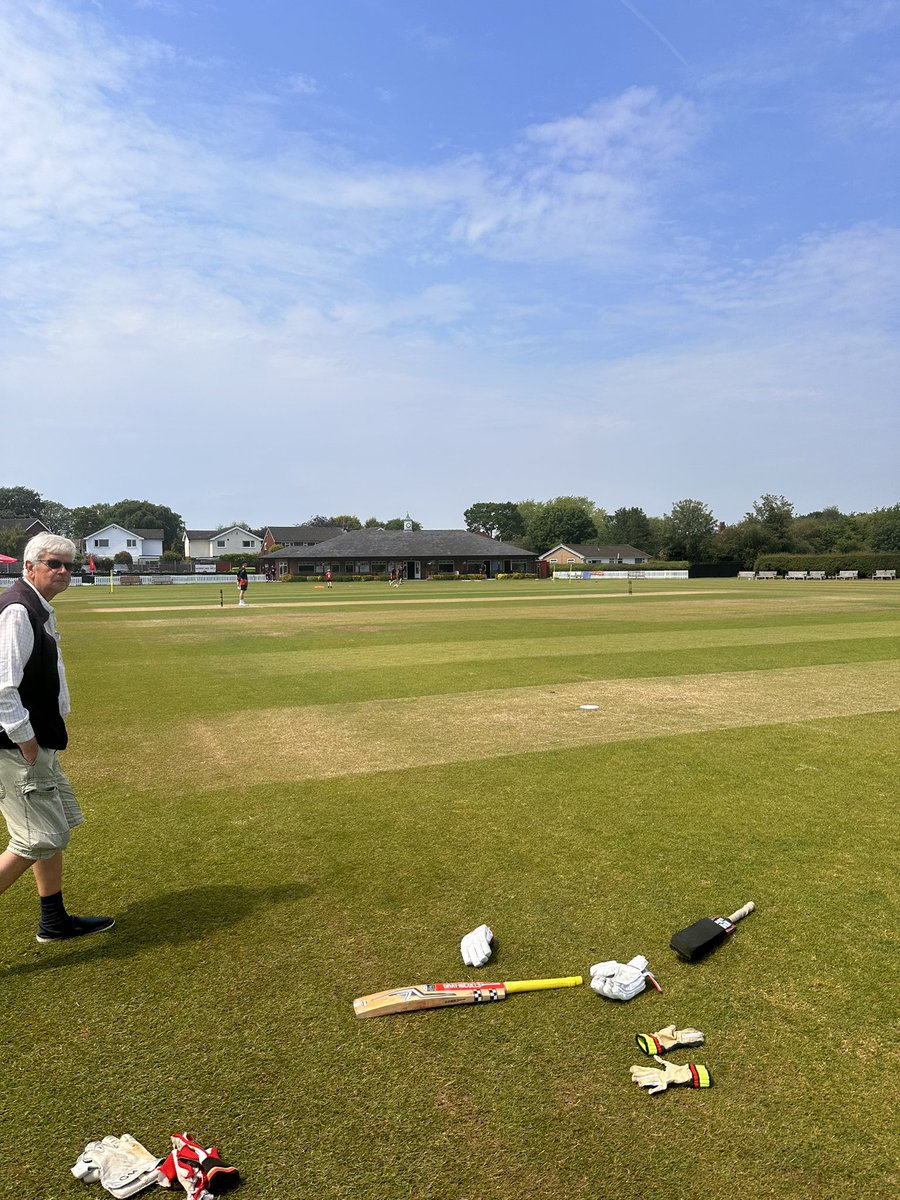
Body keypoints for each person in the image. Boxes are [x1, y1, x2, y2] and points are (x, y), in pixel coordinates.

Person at [0, 533, 115, 943]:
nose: (64, 571)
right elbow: (3, 687)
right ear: (29, 566)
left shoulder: (36, 606)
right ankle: (53, 920)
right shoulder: (18, 610)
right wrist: (25, 739)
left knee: (48, 830)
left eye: (70, 564)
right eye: (54, 563)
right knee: (37, 837)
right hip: (18, 746)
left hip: (38, 740)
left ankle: (53, 919)